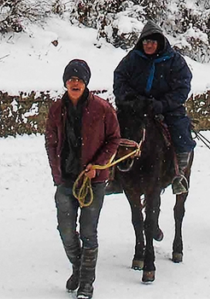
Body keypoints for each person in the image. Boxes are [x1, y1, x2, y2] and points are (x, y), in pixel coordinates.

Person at [45, 59, 120, 299]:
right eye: (70, 79)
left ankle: (87, 281)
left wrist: (97, 166)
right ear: (65, 82)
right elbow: (51, 141)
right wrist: (56, 172)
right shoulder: (57, 109)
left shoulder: (102, 108)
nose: (74, 83)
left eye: (79, 79)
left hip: (93, 182)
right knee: (66, 230)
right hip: (66, 180)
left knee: (88, 231)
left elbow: (114, 139)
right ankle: (78, 268)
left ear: (86, 82)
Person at [113, 21, 194, 195]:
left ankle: (179, 173)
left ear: (160, 42)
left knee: (181, 131)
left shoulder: (175, 61)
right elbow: (119, 79)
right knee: (114, 130)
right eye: (146, 42)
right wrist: (131, 99)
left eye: (152, 42)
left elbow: (182, 87)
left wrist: (163, 104)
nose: (149, 45)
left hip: (166, 108)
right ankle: (113, 174)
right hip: (135, 106)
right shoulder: (132, 59)